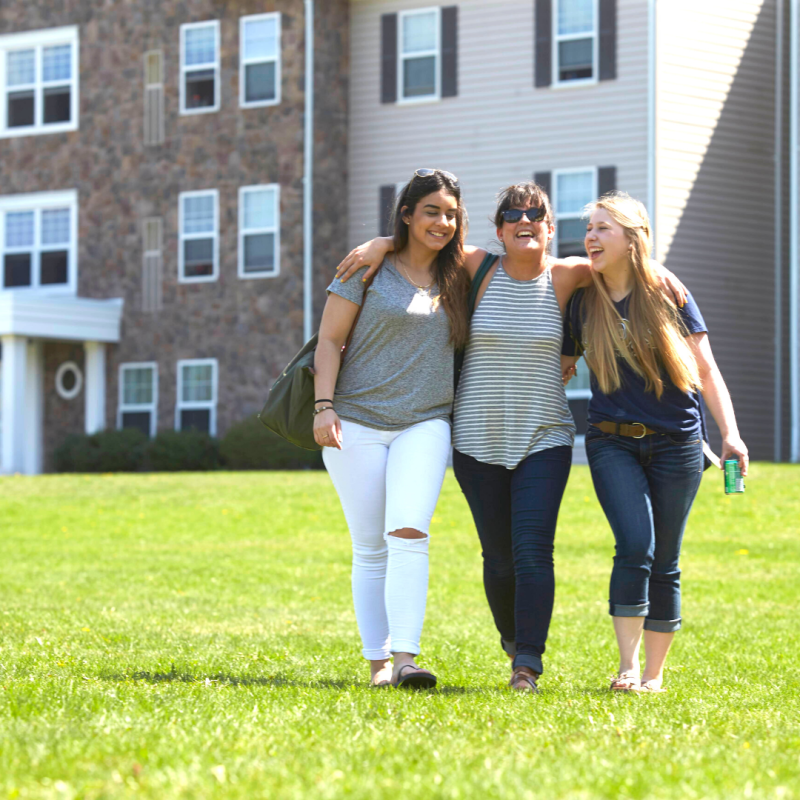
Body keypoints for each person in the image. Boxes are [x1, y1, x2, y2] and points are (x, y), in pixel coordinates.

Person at [337, 180, 688, 693]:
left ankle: (527, 663)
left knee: (532, 551)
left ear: (549, 229)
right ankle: (511, 641)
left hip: (544, 437)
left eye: (536, 214)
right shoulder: (475, 267)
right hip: (476, 440)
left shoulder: (569, 275)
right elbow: (426, 240)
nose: (525, 220)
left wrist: (657, 267)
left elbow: (621, 261)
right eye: (512, 214)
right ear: (499, 229)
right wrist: (381, 244)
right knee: (497, 559)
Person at [561, 191, 748, 693]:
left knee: (666, 556)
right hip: (610, 441)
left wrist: (730, 434)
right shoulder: (583, 301)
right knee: (635, 545)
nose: (591, 237)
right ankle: (626, 666)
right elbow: (557, 367)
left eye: (603, 228)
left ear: (632, 237)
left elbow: (706, 371)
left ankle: (653, 675)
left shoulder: (669, 293)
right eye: (590, 228)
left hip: (678, 444)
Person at [314, 169, 469, 689]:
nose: (442, 222)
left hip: (425, 422)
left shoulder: (461, 273)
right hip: (354, 422)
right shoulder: (366, 268)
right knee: (370, 546)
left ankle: (406, 660)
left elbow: (529, 263)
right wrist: (323, 407)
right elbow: (328, 342)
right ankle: (378, 663)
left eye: (451, 214)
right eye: (431, 211)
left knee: (409, 531)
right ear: (407, 213)